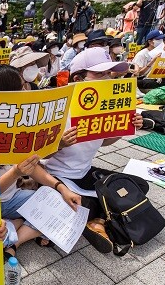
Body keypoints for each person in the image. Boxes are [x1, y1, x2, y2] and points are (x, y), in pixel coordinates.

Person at [44, 47, 147, 253]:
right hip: (56, 176)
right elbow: (38, 155)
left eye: (109, 73)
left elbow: (104, 142)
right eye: (99, 74)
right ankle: (97, 221)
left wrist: (127, 127)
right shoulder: (58, 106)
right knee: (86, 201)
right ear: (79, 77)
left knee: (137, 186)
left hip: (84, 172)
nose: (107, 78)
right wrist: (60, 144)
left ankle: (96, 220)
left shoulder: (103, 107)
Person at [0, 64, 82, 258]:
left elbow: (32, 166)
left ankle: (14, 241)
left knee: (65, 205)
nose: (26, 91)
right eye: (21, 87)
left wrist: (61, 188)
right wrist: (16, 172)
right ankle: (14, 226)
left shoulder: (16, 124)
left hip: (12, 199)